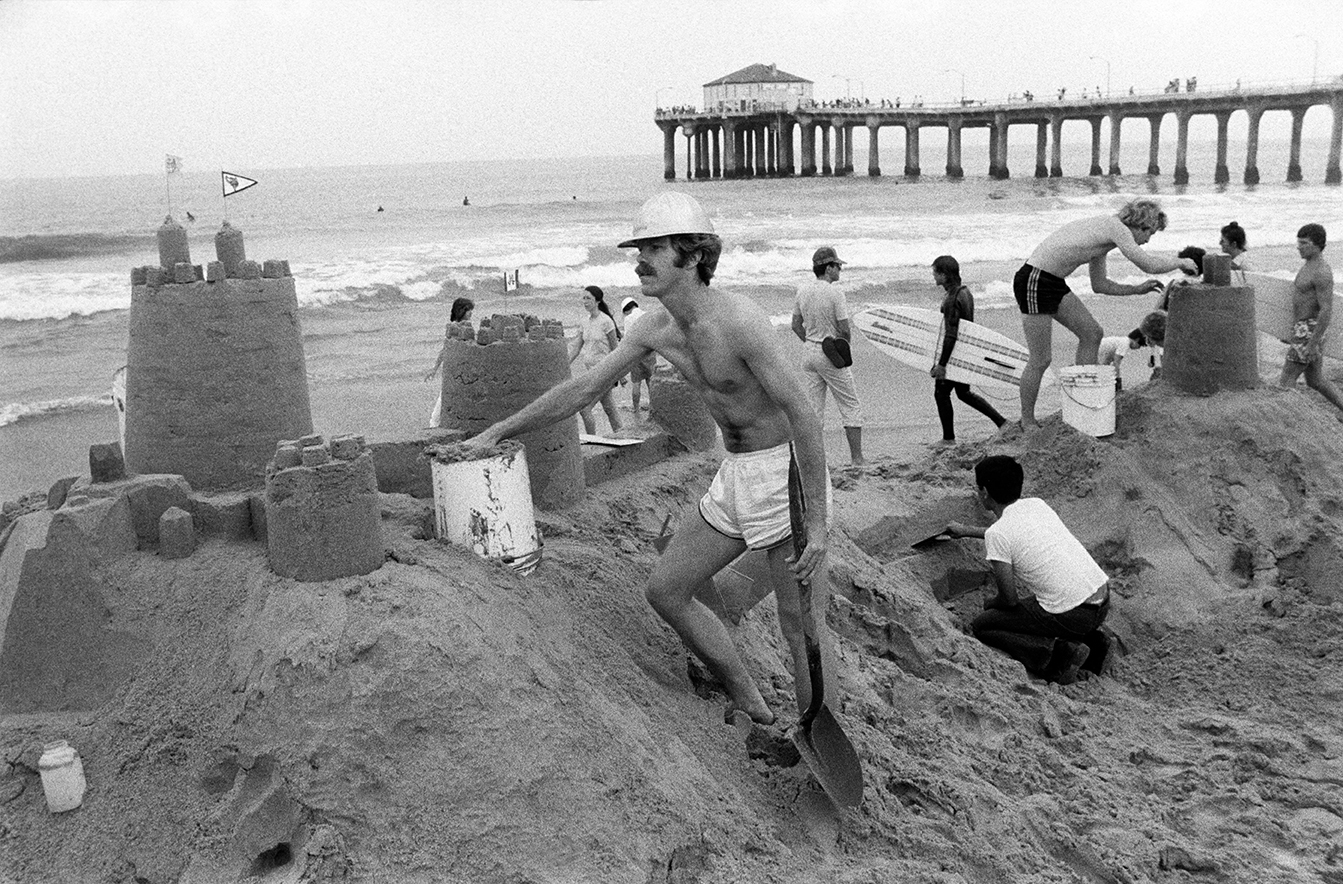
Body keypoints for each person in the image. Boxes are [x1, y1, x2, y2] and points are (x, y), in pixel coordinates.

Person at [464, 192, 832, 725]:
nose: (638, 260)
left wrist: (817, 521)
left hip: (783, 473)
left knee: (800, 627)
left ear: (694, 255)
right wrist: (497, 431)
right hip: (735, 475)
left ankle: (817, 750)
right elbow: (583, 391)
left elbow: (804, 414)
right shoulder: (654, 327)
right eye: (639, 249)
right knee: (667, 591)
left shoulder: (740, 323)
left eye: (653, 249)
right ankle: (750, 698)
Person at [1013, 199, 1199, 429]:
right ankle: (1027, 421)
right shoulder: (1115, 228)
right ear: (1141, 223)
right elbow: (1146, 263)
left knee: (1092, 333)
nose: (1148, 240)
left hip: (1052, 281)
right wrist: (1180, 262)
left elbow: (1099, 285)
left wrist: (1136, 289)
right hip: (1035, 279)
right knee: (1041, 359)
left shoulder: (1104, 237)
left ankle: (1083, 398)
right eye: (1149, 233)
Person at [945, 455, 1111, 685]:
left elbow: (1009, 600)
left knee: (984, 625)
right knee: (1042, 604)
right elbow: (1012, 534)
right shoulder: (1036, 505)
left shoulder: (999, 534)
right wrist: (965, 530)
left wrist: (990, 603)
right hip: (1101, 600)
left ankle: (1058, 655)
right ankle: (1095, 641)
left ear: (984, 492)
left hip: (1074, 614)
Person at [791, 246, 864, 465]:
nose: (840, 269)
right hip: (830, 354)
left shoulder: (802, 290)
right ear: (828, 268)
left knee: (814, 411)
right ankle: (857, 459)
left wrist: (812, 342)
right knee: (850, 405)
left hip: (809, 354)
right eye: (838, 266)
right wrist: (840, 351)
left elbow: (795, 325)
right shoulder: (835, 293)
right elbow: (844, 330)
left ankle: (813, 461)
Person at [928, 255, 1006, 442]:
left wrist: (942, 364)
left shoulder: (952, 299)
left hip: (956, 353)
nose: (933, 276)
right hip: (965, 350)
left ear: (944, 275)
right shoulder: (965, 292)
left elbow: (951, 334)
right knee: (963, 393)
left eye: (935, 273)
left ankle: (948, 439)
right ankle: (1002, 422)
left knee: (941, 392)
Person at [1279, 224, 1343, 412]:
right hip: (1303, 329)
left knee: (1286, 379)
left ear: (1318, 245)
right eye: (1298, 242)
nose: (1299, 247)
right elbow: (1300, 302)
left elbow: (1326, 310)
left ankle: (1285, 417)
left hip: (1309, 330)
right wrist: (1292, 331)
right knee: (1315, 380)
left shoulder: (1322, 272)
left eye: (1304, 243)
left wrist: (1312, 343)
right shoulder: (1308, 265)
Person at [570, 285, 624, 436]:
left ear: (597, 301)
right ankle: (622, 435)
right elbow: (576, 348)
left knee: (585, 409)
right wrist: (563, 365)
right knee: (609, 408)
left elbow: (616, 350)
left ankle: (591, 441)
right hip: (591, 373)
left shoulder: (606, 322)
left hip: (605, 373)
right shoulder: (584, 321)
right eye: (583, 298)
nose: (585, 301)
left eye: (588, 298)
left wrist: (621, 374)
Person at [425, 297, 476, 426]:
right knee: (444, 398)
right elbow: (444, 349)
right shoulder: (454, 327)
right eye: (468, 310)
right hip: (454, 372)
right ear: (461, 311)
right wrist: (434, 369)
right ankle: (434, 425)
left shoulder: (467, 327)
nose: (471, 313)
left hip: (463, 371)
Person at [620, 297, 657, 414]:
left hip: (636, 353)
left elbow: (628, 338)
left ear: (626, 310)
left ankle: (636, 409)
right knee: (650, 381)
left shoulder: (628, 319)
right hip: (650, 351)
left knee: (636, 382)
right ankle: (654, 407)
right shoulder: (647, 315)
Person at [1097, 327, 1148, 392]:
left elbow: (1106, 362)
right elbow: (1116, 363)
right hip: (1094, 350)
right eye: (1140, 345)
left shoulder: (1121, 341)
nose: (1138, 348)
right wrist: (1118, 381)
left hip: (1096, 348)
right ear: (1137, 340)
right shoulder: (1125, 344)